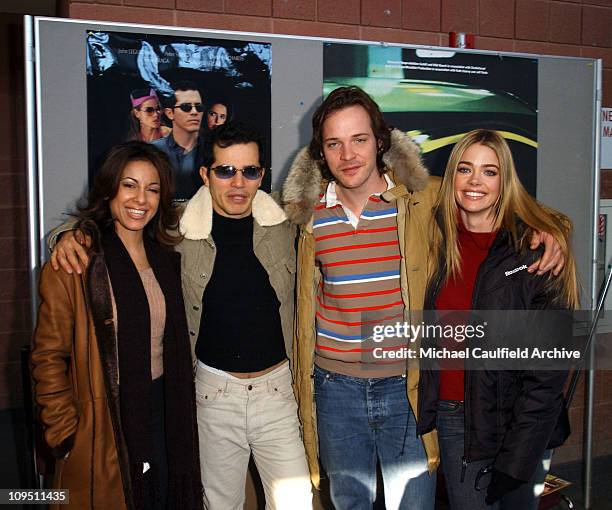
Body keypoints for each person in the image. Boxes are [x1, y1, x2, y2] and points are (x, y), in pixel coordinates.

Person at [282, 86, 565, 510]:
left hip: (407, 387)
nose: (348, 154)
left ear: (380, 141)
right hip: (335, 389)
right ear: (320, 152)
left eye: (359, 139)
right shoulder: (307, 217)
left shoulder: (423, 198)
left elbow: (494, 200)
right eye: (334, 143)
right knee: (348, 503)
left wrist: (550, 231)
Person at [48, 123, 313, 510]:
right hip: (213, 393)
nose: (238, 183)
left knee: (296, 503)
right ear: (205, 174)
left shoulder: (286, 224)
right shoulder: (177, 223)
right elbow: (116, 219)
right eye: (225, 170)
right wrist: (68, 237)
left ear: (262, 174)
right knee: (220, 504)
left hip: (278, 393)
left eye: (250, 171)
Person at [31, 142, 203, 510]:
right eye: (129, 184)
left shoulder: (165, 258)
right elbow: (47, 357)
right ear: (109, 189)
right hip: (105, 419)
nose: (140, 198)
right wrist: (64, 433)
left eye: (152, 189)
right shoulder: (78, 263)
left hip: (166, 409)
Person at [417, 129, 576, 509]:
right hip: (457, 419)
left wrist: (517, 458)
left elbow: (547, 375)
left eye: (489, 172)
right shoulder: (436, 240)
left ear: (505, 181)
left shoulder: (534, 250)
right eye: (465, 169)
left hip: (521, 424)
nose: (475, 182)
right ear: (451, 177)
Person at [152, 81, 205, 199]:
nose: (194, 112)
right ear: (170, 113)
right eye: (186, 107)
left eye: (199, 107)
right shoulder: (152, 151)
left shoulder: (213, 151)